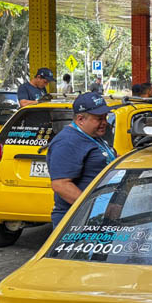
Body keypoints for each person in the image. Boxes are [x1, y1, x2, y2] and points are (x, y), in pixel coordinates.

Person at [46, 93, 118, 226]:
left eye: (105, 117)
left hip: (97, 218)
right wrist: (99, 208)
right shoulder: (67, 141)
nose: (104, 122)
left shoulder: (92, 135)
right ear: (80, 119)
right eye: (99, 119)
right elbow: (60, 185)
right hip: (78, 222)